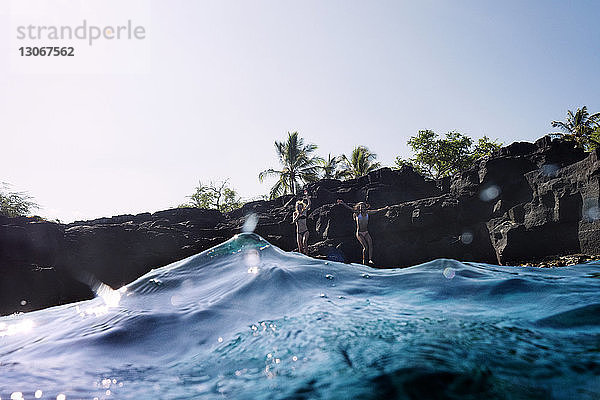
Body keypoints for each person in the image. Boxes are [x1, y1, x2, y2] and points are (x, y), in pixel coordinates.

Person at [337, 200, 388, 265]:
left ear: (365, 207)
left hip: (366, 232)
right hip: (359, 233)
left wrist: (385, 208)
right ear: (359, 208)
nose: (362, 209)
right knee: (365, 247)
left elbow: (377, 210)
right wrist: (343, 203)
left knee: (370, 244)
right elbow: (349, 208)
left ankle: (370, 259)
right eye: (360, 207)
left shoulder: (368, 213)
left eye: (363, 207)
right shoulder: (357, 213)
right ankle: (364, 260)